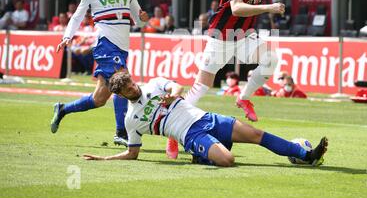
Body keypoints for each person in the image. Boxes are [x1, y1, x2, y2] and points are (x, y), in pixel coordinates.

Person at [165, 0, 285, 159]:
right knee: (201, 87)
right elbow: (237, 8)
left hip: (244, 35)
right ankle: (174, 130)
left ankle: (244, 98)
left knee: (271, 59)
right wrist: (269, 7)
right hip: (221, 36)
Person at [82, 71, 328, 167]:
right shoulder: (131, 120)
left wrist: (172, 96)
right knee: (228, 161)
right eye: (128, 90)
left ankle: (308, 155)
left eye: (132, 84)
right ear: (120, 95)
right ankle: (201, 156)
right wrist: (104, 157)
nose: (133, 89)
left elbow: (178, 86)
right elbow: (133, 153)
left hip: (206, 118)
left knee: (256, 135)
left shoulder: (154, 84)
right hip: (191, 135)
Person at [50, 0, 149, 147]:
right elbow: (77, 17)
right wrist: (67, 37)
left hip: (122, 49)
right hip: (105, 46)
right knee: (123, 80)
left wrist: (143, 19)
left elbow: (138, 21)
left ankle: (62, 109)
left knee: (99, 99)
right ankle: (121, 132)